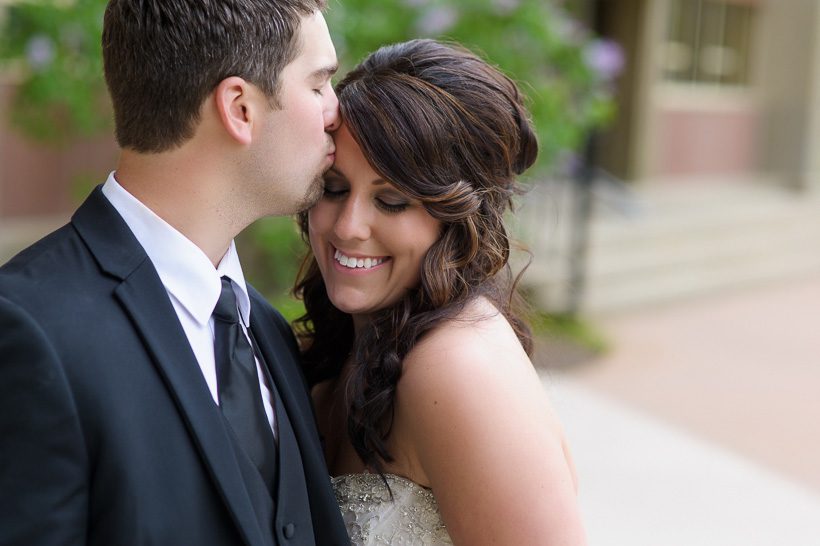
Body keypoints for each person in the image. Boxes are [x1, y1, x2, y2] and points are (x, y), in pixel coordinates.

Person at [0, 1, 349, 544]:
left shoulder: (266, 329)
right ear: (240, 108)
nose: (336, 111)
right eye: (320, 83)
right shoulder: (29, 330)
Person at [295, 39, 587, 545]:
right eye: (335, 188)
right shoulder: (348, 340)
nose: (348, 226)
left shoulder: (459, 367)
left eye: (391, 201)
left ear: (457, 219)